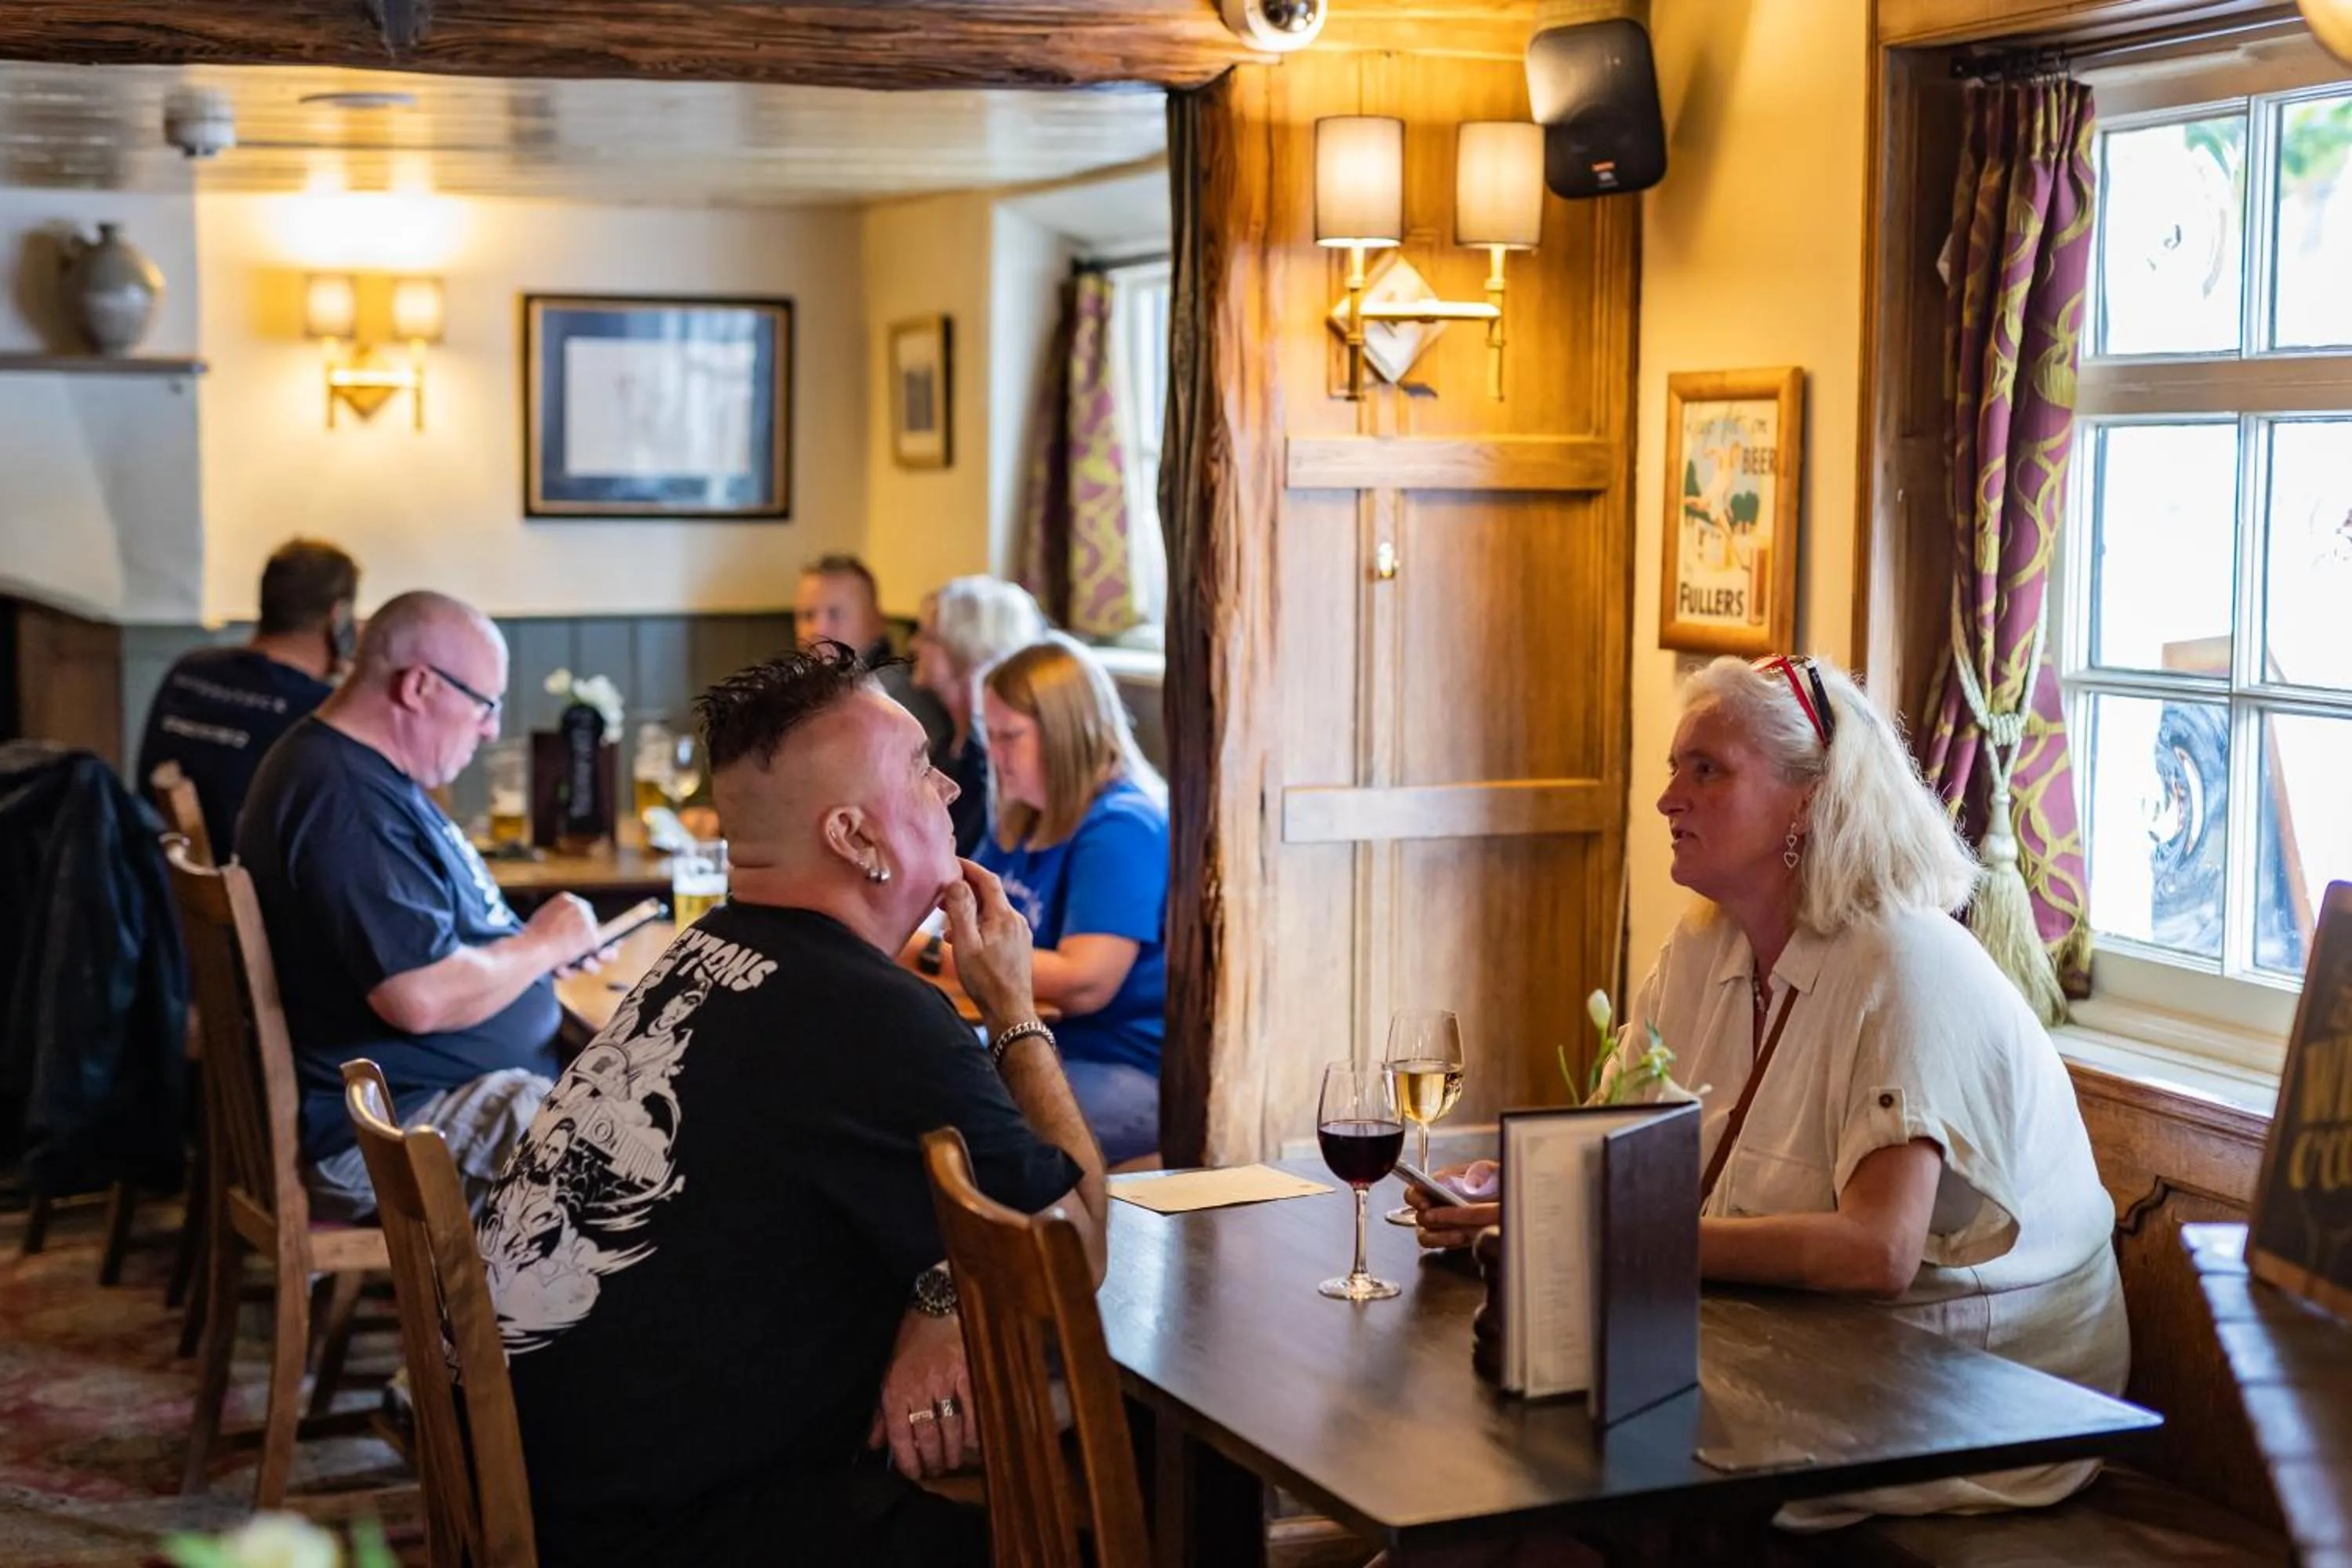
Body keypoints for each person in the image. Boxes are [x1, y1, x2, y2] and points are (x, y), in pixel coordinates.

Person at [1410, 654, 2126, 1531]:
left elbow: (1878, 1249)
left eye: (1705, 768)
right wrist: (1522, 1185)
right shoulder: (1704, 949)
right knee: (1515, 1444)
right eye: (1674, 768)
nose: (1668, 798)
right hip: (1794, 1347)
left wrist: (1618, 1233)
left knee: (1568, 1472)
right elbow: (1615, 1157)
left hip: (1979, 1396)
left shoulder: (1906, 963)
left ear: (1808, 798)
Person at [479, 644, 1107, 1568]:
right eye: (919, 769)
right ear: (857, 837)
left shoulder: (693, 958)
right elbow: (1074, 1247)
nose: (949, 789)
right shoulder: (873, 1017)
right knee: (1092, 1498)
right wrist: (1013, 1010)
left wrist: (935, 1295)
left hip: (547, 1478)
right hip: (667, 1530)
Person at [237, 590, 604, 1220]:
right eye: (484, 705)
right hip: (386, 1126)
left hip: (420, 1096)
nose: (491, 729)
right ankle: (520, 1318)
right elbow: (419, 996)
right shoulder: (343, 798)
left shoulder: (360, 773)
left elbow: (431, 940)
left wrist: (528, 961)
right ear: (419, 688)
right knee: (638, 1160)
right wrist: (542, 944)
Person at [909, 635, 1168, 1166]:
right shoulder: (1025, 815)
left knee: (969, 1136)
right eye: (991, 735)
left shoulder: (1122, 826)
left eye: (1010, 738)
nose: (994, 755)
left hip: (1119, 1062)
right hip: (1035, 1042)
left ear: (1066, 736)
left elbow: (1085, 982)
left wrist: (936, 955)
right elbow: (956, 908)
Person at [136, 539, 360, 856]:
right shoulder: (320, 713)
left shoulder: (188, 671)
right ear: (339, 618)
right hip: (257, 896)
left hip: (158, 887)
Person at [907, 575, 1047, 855]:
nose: (913, 645)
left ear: (965, 648)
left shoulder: (991, 762)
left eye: (927, 636)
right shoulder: (950, 742)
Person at [796, 553, 951, 755]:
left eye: (835, 614)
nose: (818, 628)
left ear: (876, 622)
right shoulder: (811, 687)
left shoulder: (893, 696)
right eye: (807, 616)